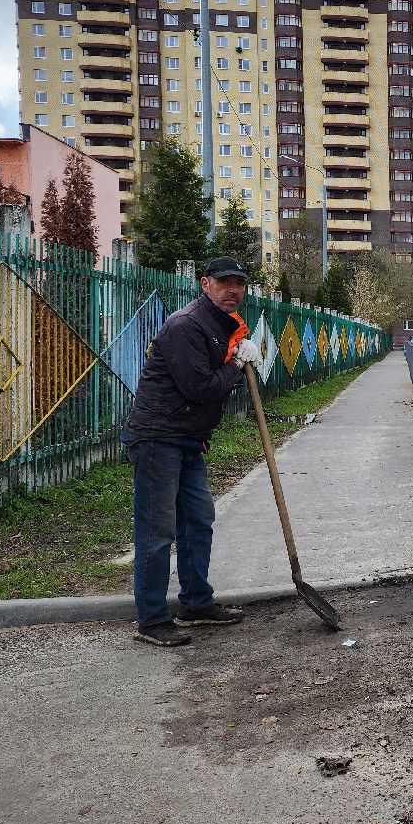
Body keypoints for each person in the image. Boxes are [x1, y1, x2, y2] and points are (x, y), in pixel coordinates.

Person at [122, 256, 262, 646]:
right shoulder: (185, 325)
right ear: (205, 284)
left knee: (198, 520)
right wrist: (236, 364)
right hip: (157, 439)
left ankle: (196, 602)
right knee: (158, 531)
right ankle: (151, 620)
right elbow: (200, 388)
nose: (233, 290)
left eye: (239, 284)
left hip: (187, 438)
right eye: (224, 283)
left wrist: (234, 353)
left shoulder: (219, 325)